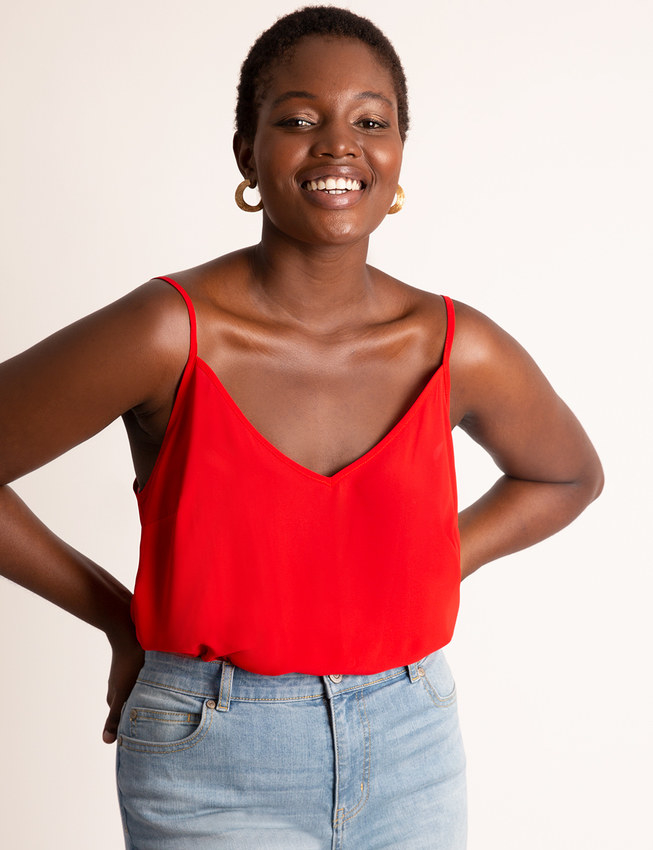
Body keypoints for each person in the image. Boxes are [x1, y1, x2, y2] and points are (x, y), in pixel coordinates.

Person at [0, 6, 603, 849]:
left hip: (412, 743)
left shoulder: (454, 346)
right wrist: (115, 615)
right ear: (246, 151)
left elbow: (567, 475)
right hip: (209, 751)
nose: (337, 145)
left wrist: (431, 559)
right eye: (296, 120)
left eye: (369, 121)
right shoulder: (167, 334)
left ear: (397, 154)